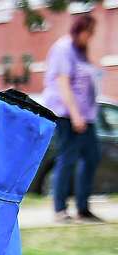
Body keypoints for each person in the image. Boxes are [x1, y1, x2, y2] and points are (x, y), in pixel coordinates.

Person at [43, 14, 103, 223]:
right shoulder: (63, 48)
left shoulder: (81, 52)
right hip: (68, 115)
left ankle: (83, 209)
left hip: (86, 116)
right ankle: (60, 209)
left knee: (92, 157)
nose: (91, 37)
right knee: (67, 160)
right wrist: (76, 115)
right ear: (80, 30)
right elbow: (63, 84)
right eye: (90, 33)